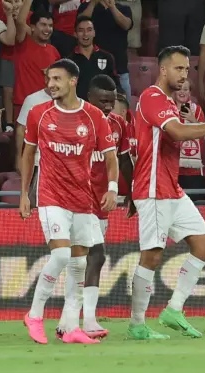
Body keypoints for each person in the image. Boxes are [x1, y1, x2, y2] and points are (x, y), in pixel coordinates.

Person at [127, 46, 205, 340]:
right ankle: (137, 324)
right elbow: (177, 132)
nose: (184, 74)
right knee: (152, 256)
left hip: (172, 189)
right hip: (153, 189)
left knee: (204, 246)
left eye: (186, 69)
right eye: (178, 69)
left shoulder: (167, 101)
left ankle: (174, 310)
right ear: (163, 70)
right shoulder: (152, 98)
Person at [19, 59, 119, 345]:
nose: (51, 84)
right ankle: (35, 315)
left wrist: (112, 188)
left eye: (57, 79)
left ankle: (72, 326)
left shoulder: (94, 116)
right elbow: (28, 155)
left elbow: (111, 157)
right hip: (51, 197)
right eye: (49, 78)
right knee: (61, 257)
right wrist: (25, 193)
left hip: (83, 199)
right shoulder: (39, 113)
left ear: (73, 80)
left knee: (79, 264)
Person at [56, 74, 132, 339]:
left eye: (112, 102)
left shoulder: (119, 125)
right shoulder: (72, 122)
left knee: (80, 260)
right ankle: (87, 320)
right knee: (94, 256)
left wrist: (130, 192)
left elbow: (123, 162)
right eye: (103, 102)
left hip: (102, 202)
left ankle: (67, 321)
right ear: (88, 98)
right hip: (76, 201)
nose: (108, 107)